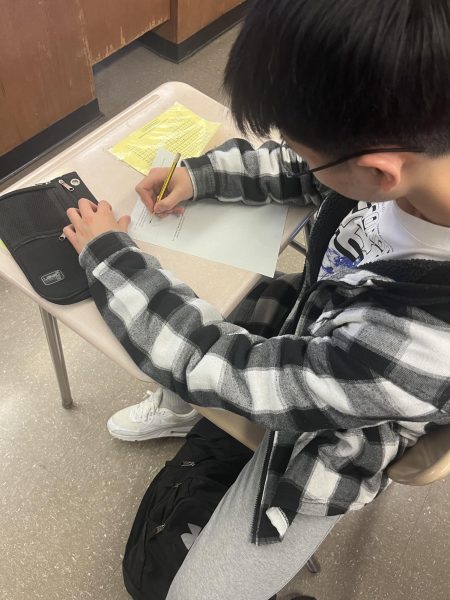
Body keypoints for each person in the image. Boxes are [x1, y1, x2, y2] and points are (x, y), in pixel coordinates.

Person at [63, 1, 450, 598]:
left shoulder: (422, 342)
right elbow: (307, 170)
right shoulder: (419, 144)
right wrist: (200, 175)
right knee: (218, 307)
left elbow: (231, 368)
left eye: (304, 146)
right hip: (322, 321)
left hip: (334, 441)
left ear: (378, 174)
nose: (298, 157)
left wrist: (111, 258)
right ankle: (181, 410)